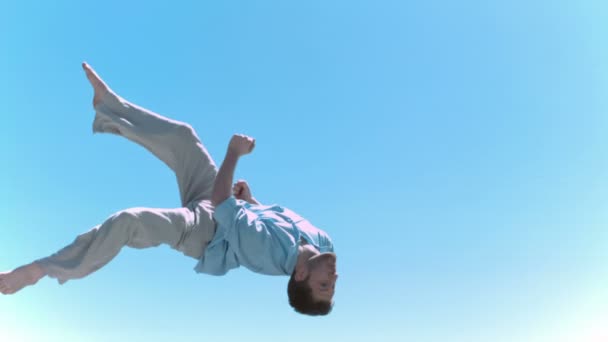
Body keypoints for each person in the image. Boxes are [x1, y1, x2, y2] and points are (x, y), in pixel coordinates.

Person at [0, 63, 338, 315]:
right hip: (228, 208)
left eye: (323, 285)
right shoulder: (322, 241)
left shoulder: (266, 254)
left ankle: (42, 269)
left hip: (206, 233)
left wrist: (233, 154)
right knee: (183, 137)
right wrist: (252, 200)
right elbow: (262, 217)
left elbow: (222, 205)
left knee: (130, 221)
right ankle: (108, 106)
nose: (334, 279)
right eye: (332, 286)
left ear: (301, 274)